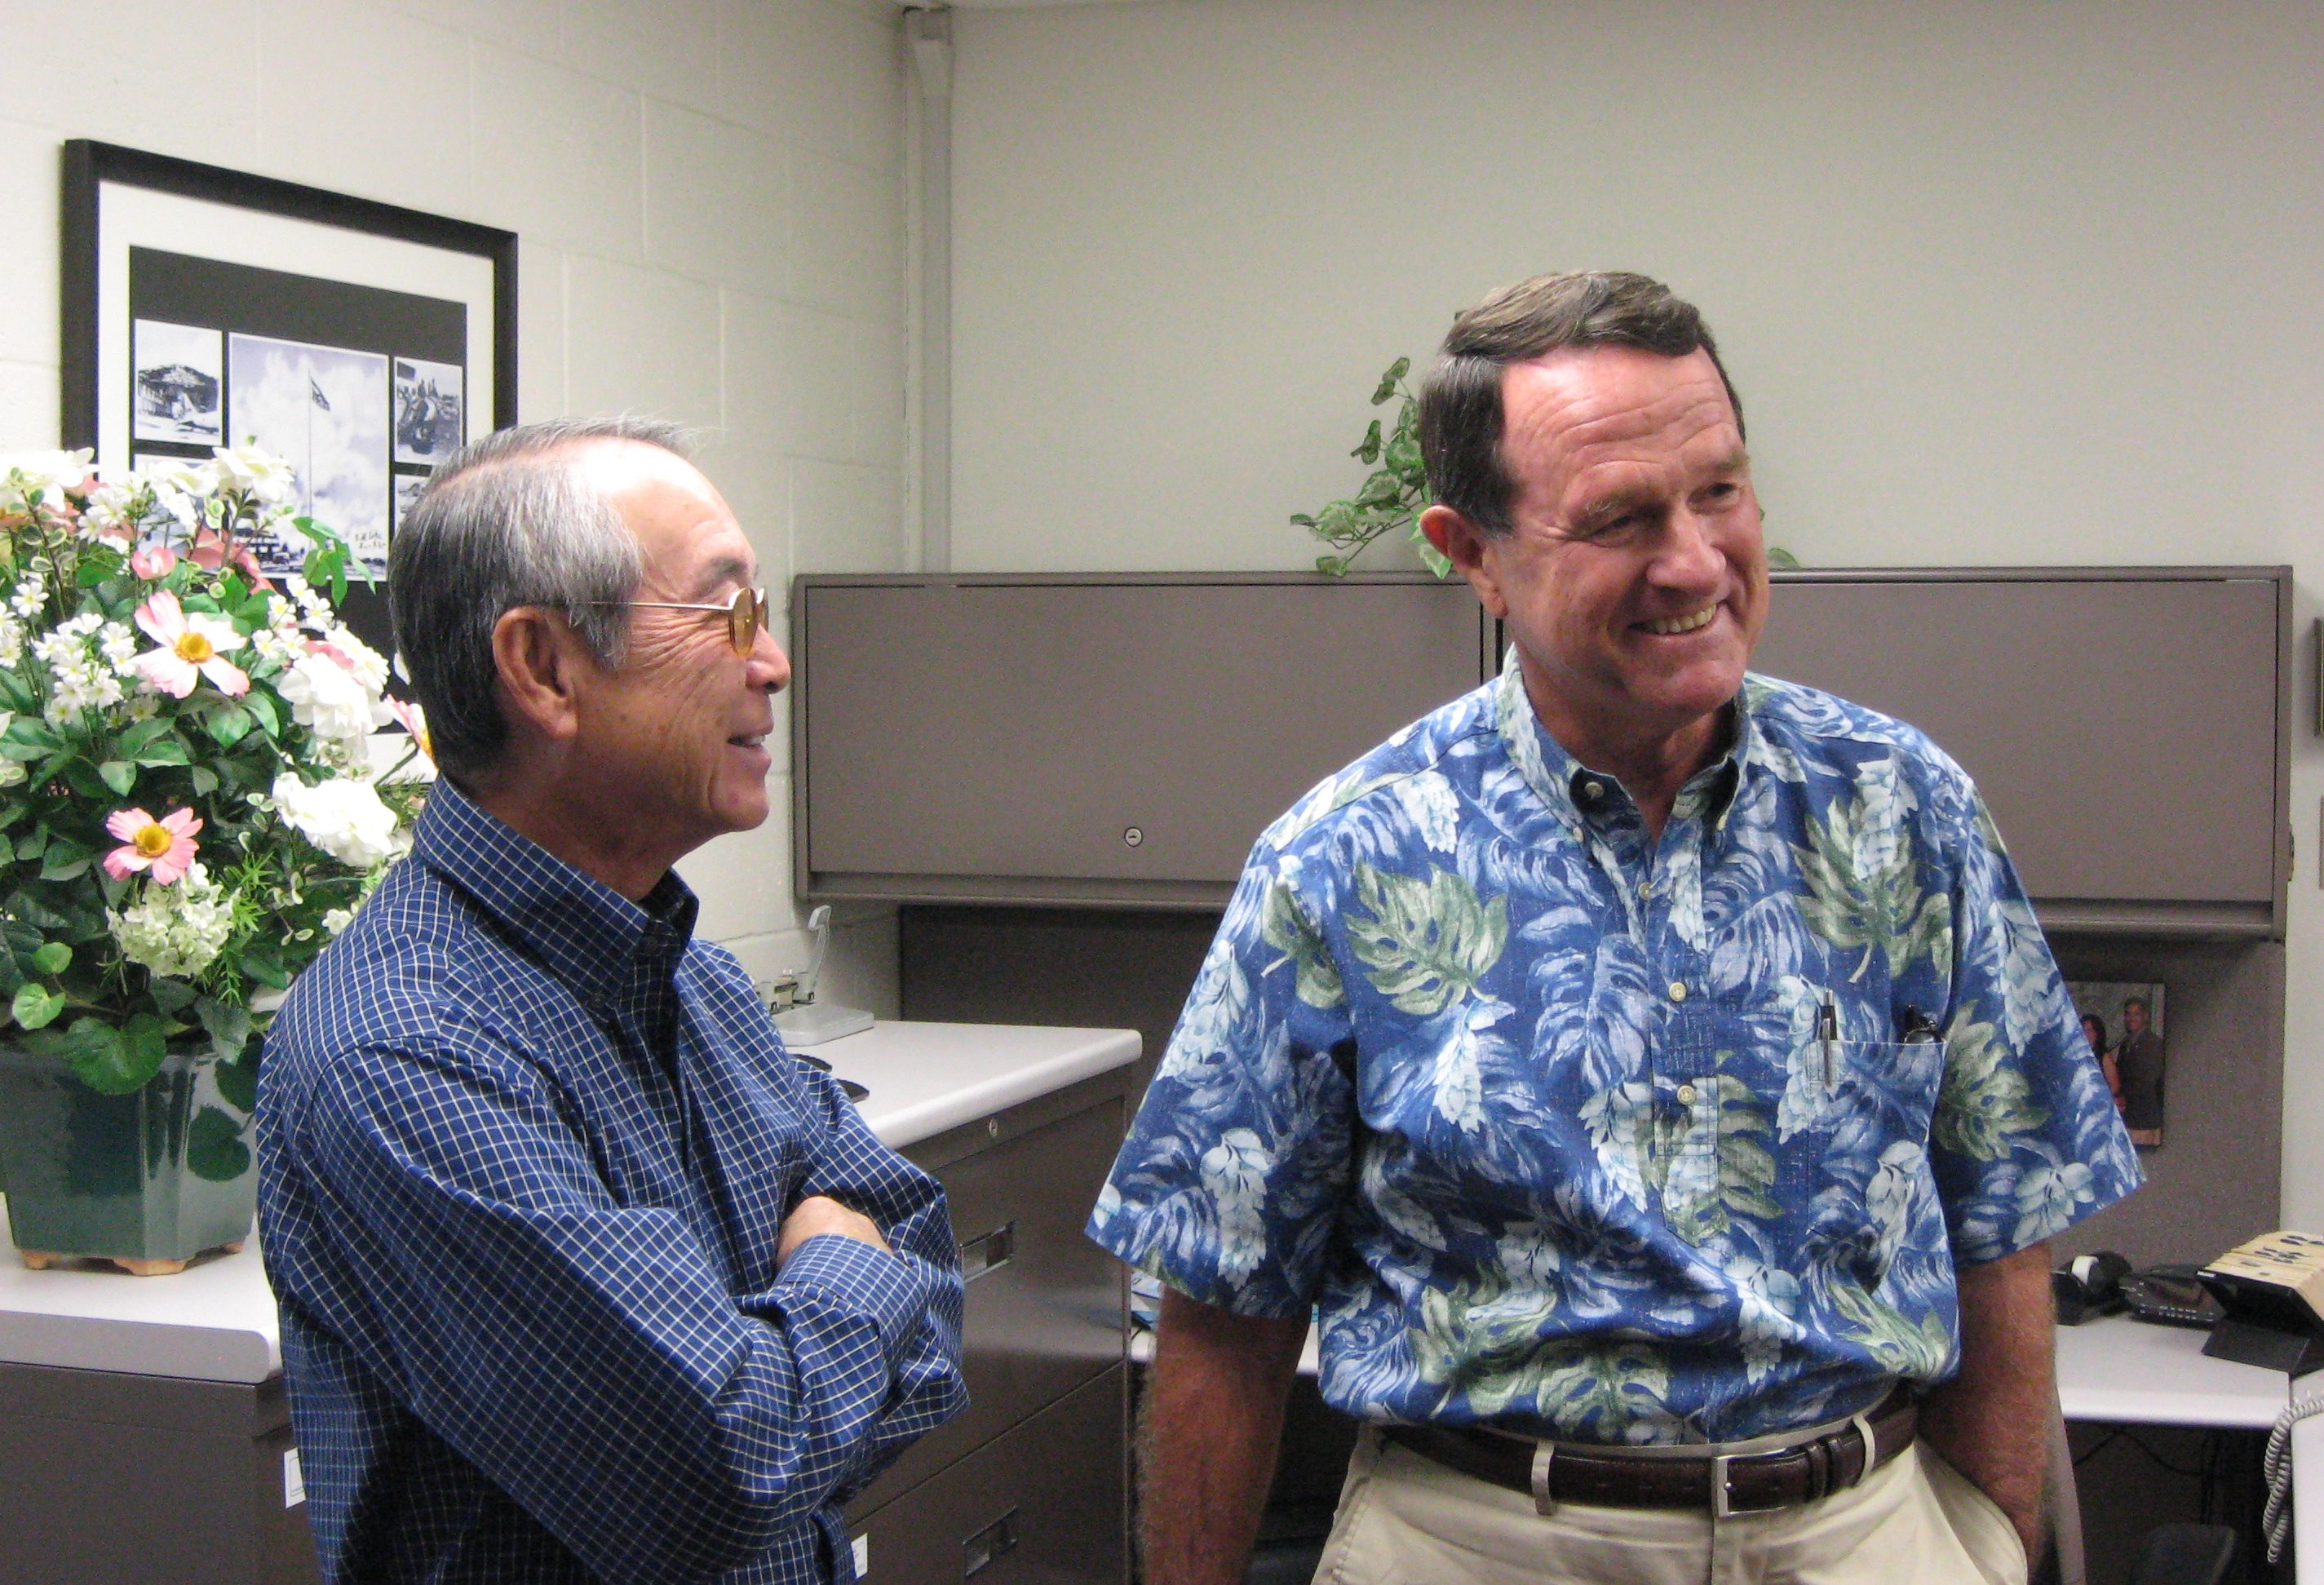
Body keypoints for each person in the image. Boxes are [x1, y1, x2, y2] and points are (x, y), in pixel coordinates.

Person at [1088, 272, 2140, 1585]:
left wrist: (1982, 1544)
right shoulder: (1349, 855)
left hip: (1858, 1525)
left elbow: (2006, 1217)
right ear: (1471, 553)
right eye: (1619, 518)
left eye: (1720, 490)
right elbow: (1222, 1306)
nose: (1694, 560)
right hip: (1481, 1538)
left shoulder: (1901, 806)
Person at [256, 418, 966, 1583]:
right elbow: (722, 1475)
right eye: (724, 610)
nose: (772, 661)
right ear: (543, 667)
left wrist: (796, 1367)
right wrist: (842, 1268)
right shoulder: (405, 1051)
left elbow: (925, 1272)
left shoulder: (695, 979)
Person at [2114, 995, 2165, 1145]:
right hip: (2129, 1118)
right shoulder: (2126, 1044)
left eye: (2136, 1014)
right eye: (2128, 1014)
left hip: (2143, 1119)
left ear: (2145, 1016)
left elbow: (2150, 1081)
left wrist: (2125, 1098)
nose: (2132, 1019)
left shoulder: (2153, 1044)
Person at [2082, 1012, 2123, 1109]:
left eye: (2090, 1030)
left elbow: (2115, 1086)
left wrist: (2101, 1099)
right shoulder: (2077, 1056)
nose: (2086, 1034)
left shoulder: (2104, 1057)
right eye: (2083, 1030)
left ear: (2097, 1033)